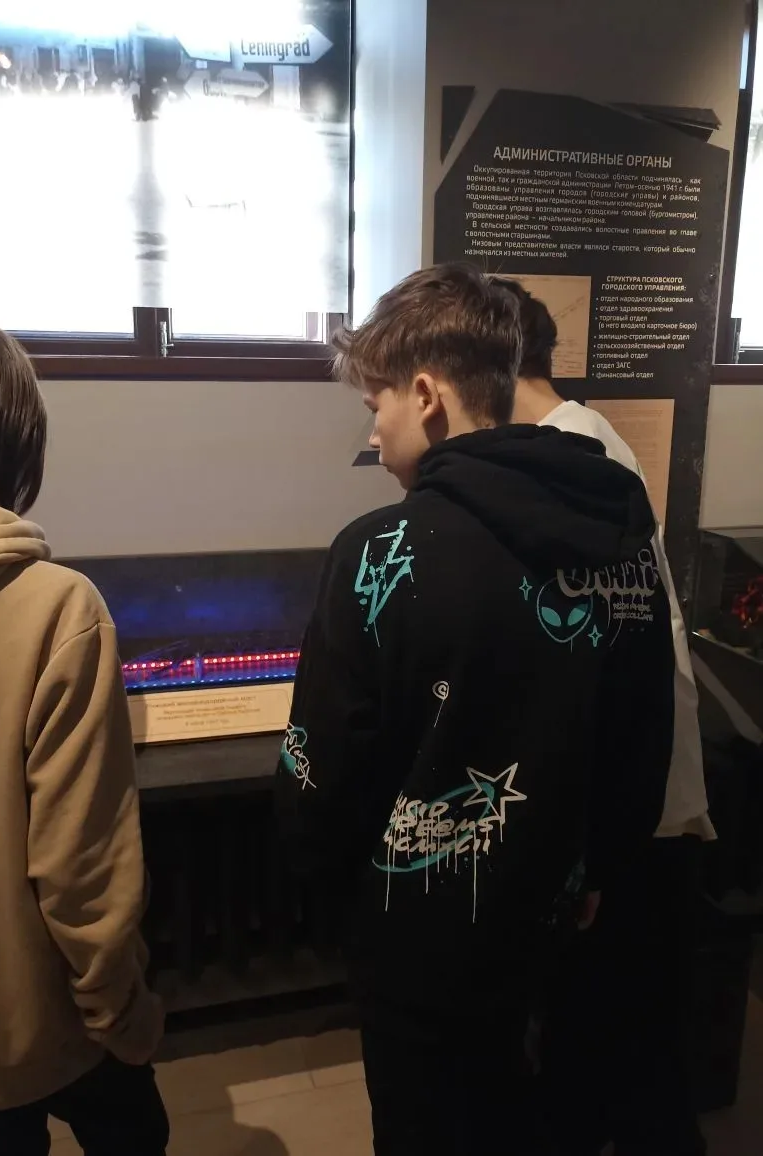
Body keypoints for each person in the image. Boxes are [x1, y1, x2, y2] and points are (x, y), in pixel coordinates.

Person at [275, 263, 677, 1156]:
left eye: (375, 405)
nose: (373, 434)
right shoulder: (618, 531)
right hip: (556, 925)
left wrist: (322, 884)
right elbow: (642, 729)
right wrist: (599, 868)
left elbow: (323, 765)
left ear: (426, 396)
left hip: (412, 943)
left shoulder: (376, 551)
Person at [0, 315, 168, 1156]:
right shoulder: (58, 608)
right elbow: (82, 864)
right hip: (58, 1020)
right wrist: (122, 1015)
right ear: (18, 444)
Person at [501, 277, 712, 1156]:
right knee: (626, 1051)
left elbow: (599, 667)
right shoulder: (585, 440)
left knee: (614, 1060)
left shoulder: (569, 458)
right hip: (640, 805)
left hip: (628, 821)